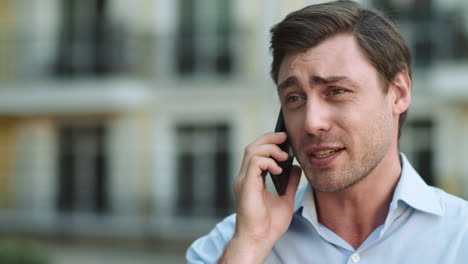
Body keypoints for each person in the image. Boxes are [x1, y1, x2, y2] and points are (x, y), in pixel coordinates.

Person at [186, 1, 468, 263]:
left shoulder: (460, 237)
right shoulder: (229, 245)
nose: (311, 122)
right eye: (295, 98)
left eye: (336, 91)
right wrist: (250, 245)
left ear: (398, 93)